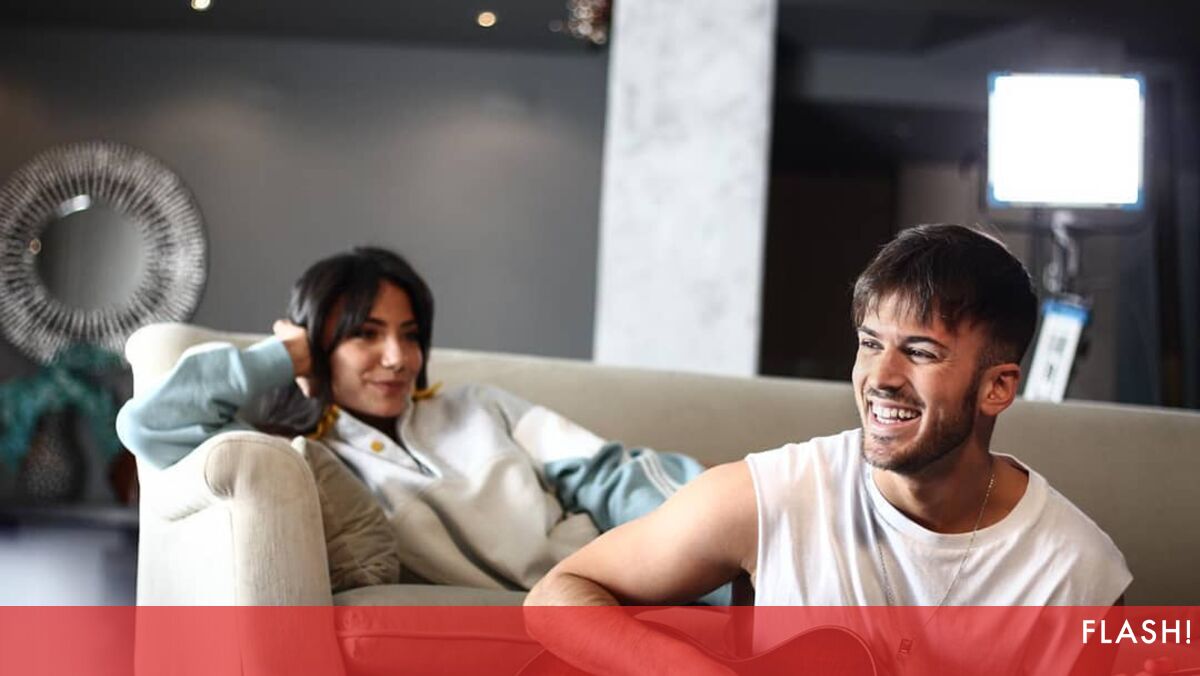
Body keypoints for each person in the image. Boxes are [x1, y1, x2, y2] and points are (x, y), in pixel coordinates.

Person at [525, 224, 1132, 675]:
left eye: (920, 352)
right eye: (870, 344)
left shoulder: (1075, 575)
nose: (881, 377)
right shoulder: (776, 493)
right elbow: (558, 592)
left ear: (997, 387)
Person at [117, 246, 714, 595]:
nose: (398, 358)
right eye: (367, 334)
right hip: (560, 607)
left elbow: (608, 474)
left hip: (623, 574)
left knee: (736, 508)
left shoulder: (479, 406)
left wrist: (698, 533)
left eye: (409, 335)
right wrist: (285, 356)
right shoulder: (302, 459)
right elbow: (151, 424)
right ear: (319, 342)